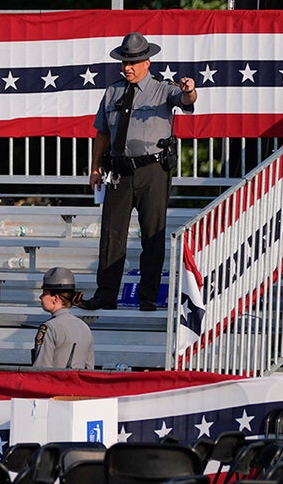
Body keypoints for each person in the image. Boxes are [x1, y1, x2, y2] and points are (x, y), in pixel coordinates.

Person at [81, 32, 197, 312]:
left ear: (147, 62)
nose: (127, 67)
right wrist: (96, 165)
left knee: (152, 236)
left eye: (132, 62)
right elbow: (102, 133)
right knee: (111, 235)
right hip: (119, 171)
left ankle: (148, 297)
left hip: (152, 171)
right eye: (124, 62)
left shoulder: (163, 88)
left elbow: (186, 100)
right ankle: (106, 294)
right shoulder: (113, 91)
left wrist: (189, 89)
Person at [33, 267, 94, 369]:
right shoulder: (85, 327)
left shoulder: (49, 328)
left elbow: (41, 370)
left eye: (44, 293)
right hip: (78, 384)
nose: (41, 297)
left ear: (55, 298)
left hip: (55, 384)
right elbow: (89, 369)